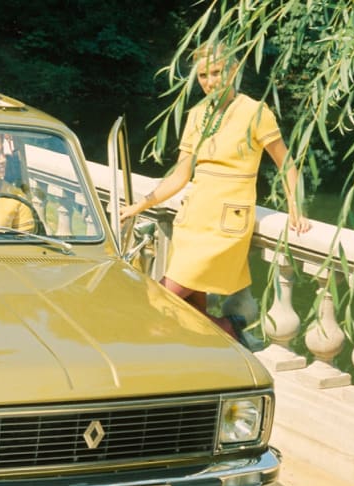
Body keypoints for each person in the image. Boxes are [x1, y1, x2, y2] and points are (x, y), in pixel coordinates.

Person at [119, 42, 312, 344]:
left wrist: (295, 206)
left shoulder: (256, 112)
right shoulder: (196, 114)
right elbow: (181, 175)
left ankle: (226, 330)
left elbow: (285, 163)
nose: (210, 82)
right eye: (203, 76)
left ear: (234, 70)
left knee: (160, 298)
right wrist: (141, 205)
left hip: (226, 225)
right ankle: (223, 332)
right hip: (193, 219)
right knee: (191, 306)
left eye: (217, 72)